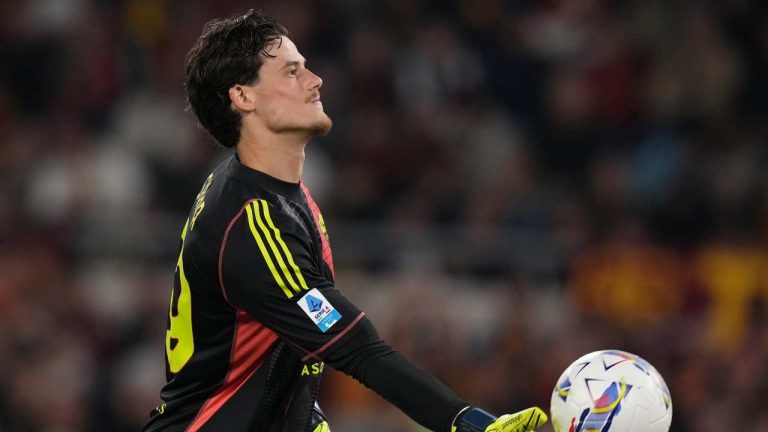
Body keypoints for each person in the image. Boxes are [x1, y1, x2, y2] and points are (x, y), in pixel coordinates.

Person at [142, 9, 547, 432]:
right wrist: (464, 421)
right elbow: (355, 349)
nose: (315, 80)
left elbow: (280, 339)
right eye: (292, 72)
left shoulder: (275, 195)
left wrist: (305, 416)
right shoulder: (252, 222)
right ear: (244, 97)